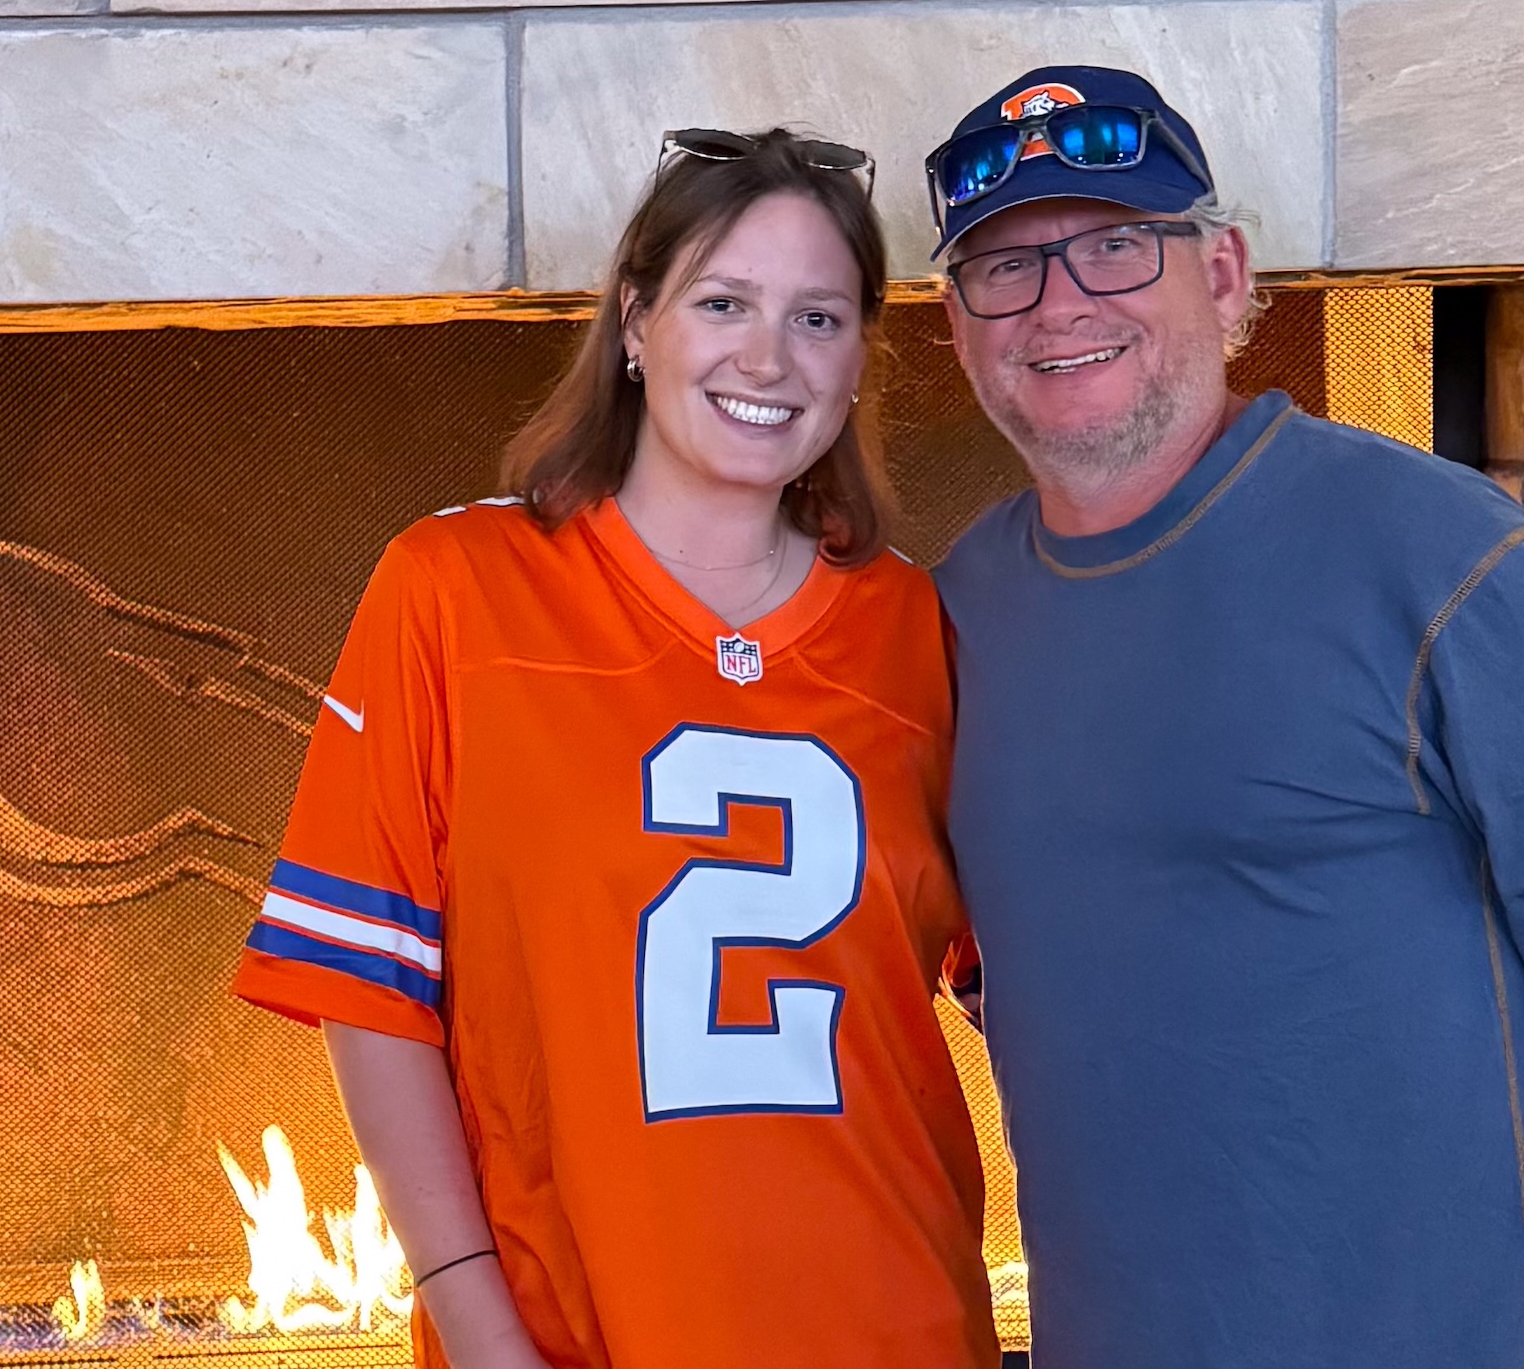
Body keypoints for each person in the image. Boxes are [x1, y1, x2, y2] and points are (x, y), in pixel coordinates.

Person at [926, 66, 1524, 1369]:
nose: (1059, 299)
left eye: (1114, 243)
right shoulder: (960, 607)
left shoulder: (1439, 555)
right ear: (959, 322)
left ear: (1221, 275)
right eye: (1006, 266)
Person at [230, 129, 999, 1369]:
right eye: (723, 302)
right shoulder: (455, 590)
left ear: (863, 355)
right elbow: (369, 995)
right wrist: (480, 1327)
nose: (769, 356)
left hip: (896, 1319)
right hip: (569, 1331)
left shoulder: (927, 630)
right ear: (636, 322)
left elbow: (1034, 994)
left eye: (819, 317)